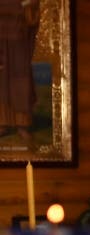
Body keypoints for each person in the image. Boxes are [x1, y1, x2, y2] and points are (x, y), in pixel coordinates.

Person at [0, 0, 39, 146]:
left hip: (18, 37)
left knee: (21, 80)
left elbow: (32, 5)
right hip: (1, 36)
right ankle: (2, 123)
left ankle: (22, 124)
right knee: (1, 81)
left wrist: (26, 5)